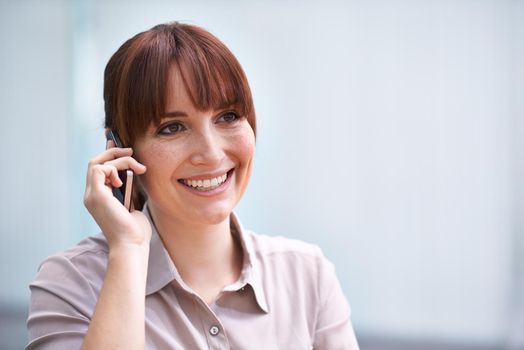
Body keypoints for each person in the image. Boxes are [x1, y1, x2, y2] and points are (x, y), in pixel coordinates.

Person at [26, 22, 359, 349]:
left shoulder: (307, 275)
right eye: (172, 128)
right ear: (119, 148)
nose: (212, 154)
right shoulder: (72, 284)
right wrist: (128, 249)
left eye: (228, 116)